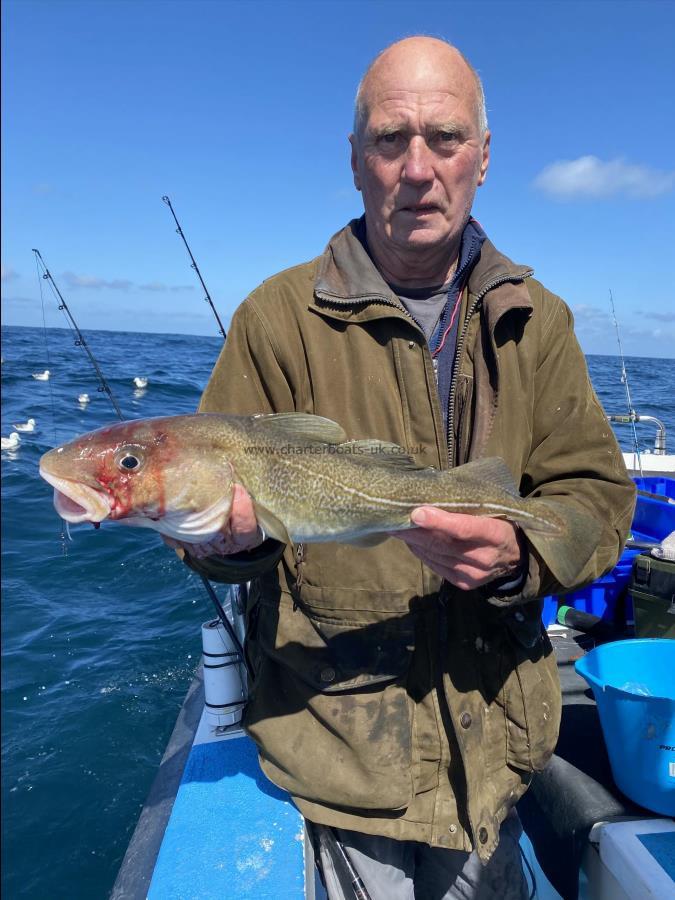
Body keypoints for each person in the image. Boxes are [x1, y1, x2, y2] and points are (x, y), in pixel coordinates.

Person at [168, 37, 635, 899]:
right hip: (343, 755)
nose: (417, 168)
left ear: (483, 158)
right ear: (354, 161)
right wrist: (227, 544)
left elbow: (598, 500)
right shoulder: (274, 319)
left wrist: (517, 559)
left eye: (445, 138)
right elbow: (213, 522)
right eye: (389, 140)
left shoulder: (539, 322)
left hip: (499, 751)